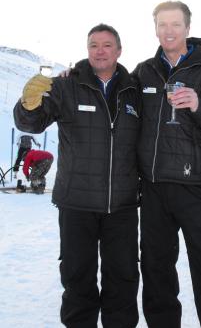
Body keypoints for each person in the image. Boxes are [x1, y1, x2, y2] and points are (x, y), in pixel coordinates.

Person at [14, 24, 141, 328]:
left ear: (119, 50)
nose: (100, 50)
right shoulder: (66, 86)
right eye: (93, 45)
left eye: (107, 45)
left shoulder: (134, 91)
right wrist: (28, 104)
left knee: (123, 280)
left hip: (121, 206)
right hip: (77, 204)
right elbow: (31, 124)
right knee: (77, 278)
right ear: (87, 50)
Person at [133, 1, 201, 328]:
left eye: (175, 24)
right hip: (153, 189)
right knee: (155, 273)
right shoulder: (143, 72)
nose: (168, 31)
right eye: (162, 24)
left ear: (188, 29)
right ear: (155, 28)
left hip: (196, 188)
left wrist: (198, 103)